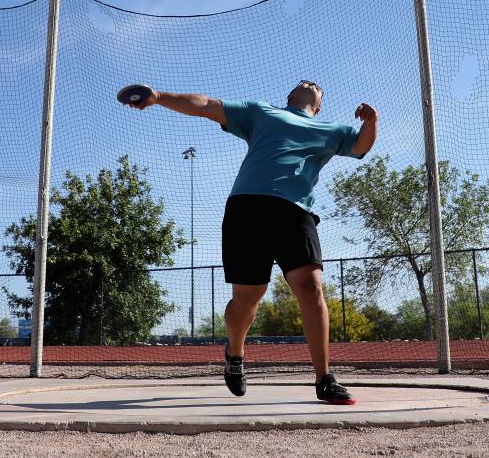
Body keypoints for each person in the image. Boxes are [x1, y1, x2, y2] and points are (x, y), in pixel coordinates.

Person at [127, 80, 377, 405]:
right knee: (247, 299)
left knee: (311, 288)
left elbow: (360, 147)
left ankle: (324, 379)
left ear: (319, 106)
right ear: (290, 95)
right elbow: (205, 104)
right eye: (303, 83)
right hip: (247, 208)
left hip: (295, 211)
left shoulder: (333, 130)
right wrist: (159, 98)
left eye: (316, 86)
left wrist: (371, 122)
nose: (310, 83)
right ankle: (235, 351)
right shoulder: (262, 112)